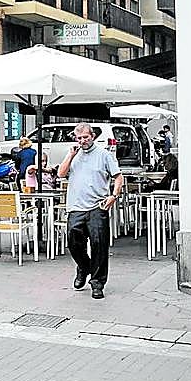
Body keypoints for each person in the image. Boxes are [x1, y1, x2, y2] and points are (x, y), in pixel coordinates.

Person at [58, 122, 124, 300]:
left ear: (92, 136)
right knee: (73, 241)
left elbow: (118, 177)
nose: (82, 141)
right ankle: (84, 267)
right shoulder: (74, 154)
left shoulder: (103, 154)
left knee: (99, 245)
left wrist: (113, 196)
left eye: (85, 137)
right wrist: (70, 155)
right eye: (79, 138)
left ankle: (97, 283)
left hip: (98, 206)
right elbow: (61, 174)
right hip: (76, 207)